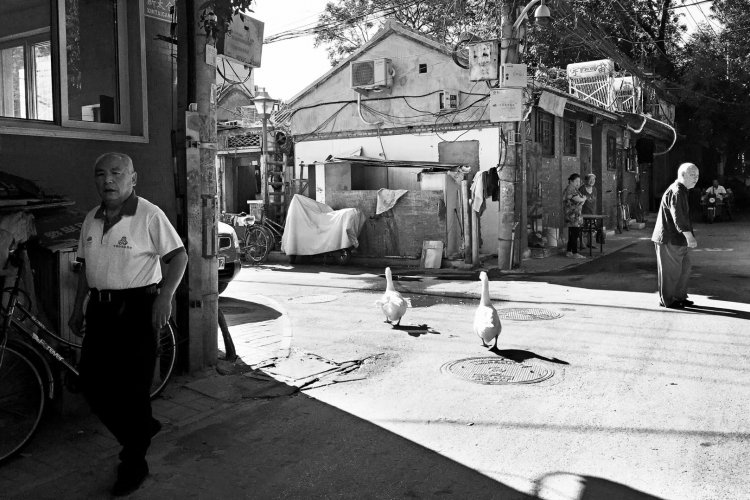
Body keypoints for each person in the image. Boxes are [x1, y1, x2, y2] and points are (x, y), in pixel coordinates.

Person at [68, 153, 187, 496]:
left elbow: (178, 256)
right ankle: (142, 431)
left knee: (133, 391)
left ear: (133, 179)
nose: (108, 180)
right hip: (100, 311)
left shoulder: (149, 214)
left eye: (117, 173)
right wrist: (78, 309)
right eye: (101, 174)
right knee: (91, 383)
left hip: (137, 309)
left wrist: (165, 297)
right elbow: (83, 269)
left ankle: (134, 463)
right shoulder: (91, 219)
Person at [651, 162, 699, 309]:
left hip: (677, 239)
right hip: (669, 238)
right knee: (671, 272)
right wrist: (690, 237)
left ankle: (679, 296)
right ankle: (668, 300)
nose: (695, 178)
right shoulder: (677, 191)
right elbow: (679, 218)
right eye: (692, 175)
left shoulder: (682, 190)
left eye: (697, 176)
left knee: (684, 269)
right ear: (682, 175)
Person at [563, 173, 587, 259]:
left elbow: (581, 201)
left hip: (574, 214)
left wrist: (582, 199)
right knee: (574, 233)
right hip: (573, 215)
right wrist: (583, 199)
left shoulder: (574, 189)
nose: (578, 183)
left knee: (572, 233)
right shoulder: (570, 189)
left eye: (579, 181)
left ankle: (569, 251)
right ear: (571, 181)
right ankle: (574, 252)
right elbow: (578, 199)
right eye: (576, 181)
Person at [579, 173, 598, 248]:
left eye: (593, 179)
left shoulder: (595, 189)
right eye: (590, 179)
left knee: (591, 228)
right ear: (586, 180)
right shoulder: (582, 189)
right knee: (581, 228)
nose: (592, 181)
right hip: (583, 212)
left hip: (592, 211)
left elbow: (594, 201)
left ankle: (589, 243)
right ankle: (581, 243)